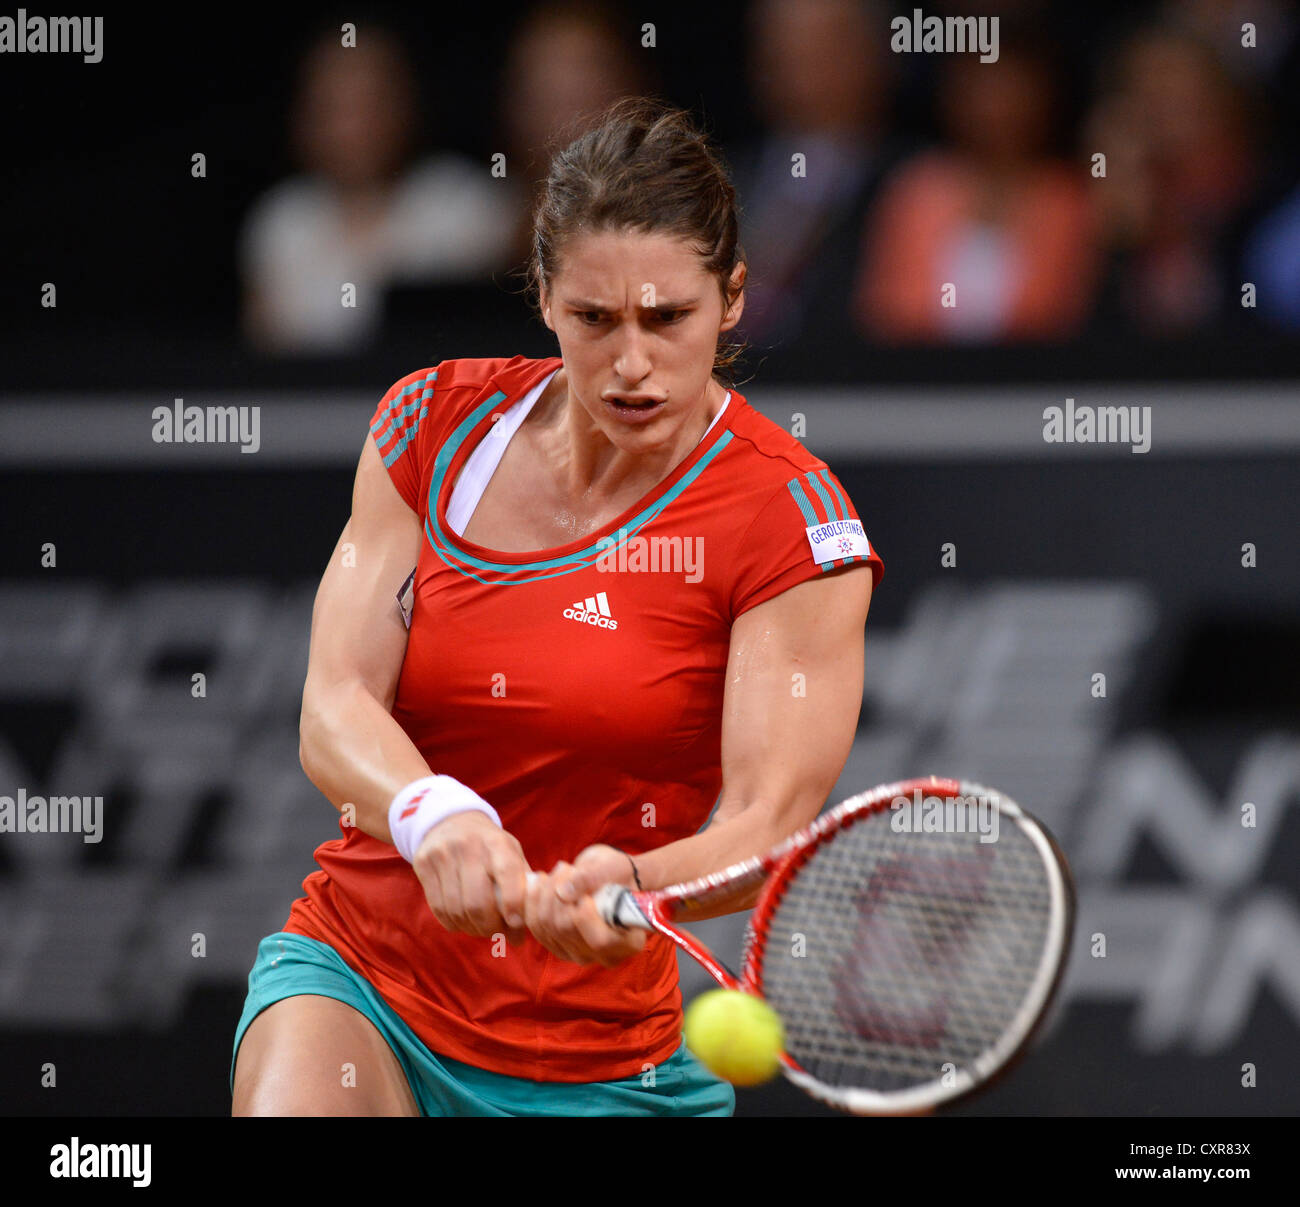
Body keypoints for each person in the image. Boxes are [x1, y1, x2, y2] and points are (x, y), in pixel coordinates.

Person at [230, 97, 883, 1118]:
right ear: (542, 297)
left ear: (734, 299)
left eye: (668, 317)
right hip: (365, 981)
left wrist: (636, 881)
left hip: (607, 1060)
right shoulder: (429, 424)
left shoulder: (792, 522)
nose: (631, 362)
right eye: (594, 317)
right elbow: (336, 698)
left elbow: (769, 817)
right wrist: (431, 812)